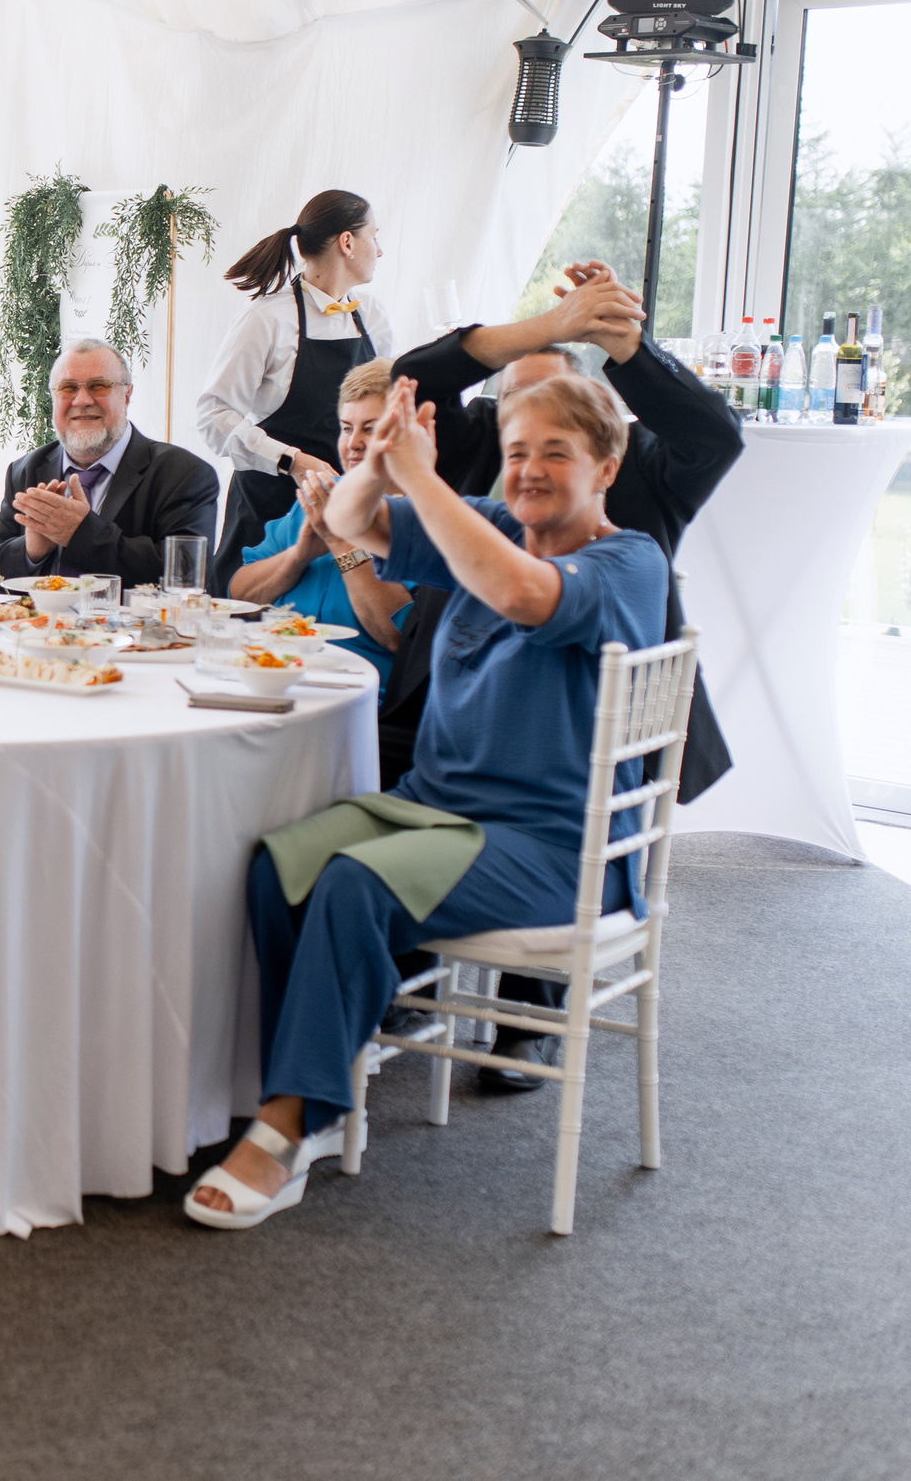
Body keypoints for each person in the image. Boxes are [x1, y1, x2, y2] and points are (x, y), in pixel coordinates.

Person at [187, 371, 666, 1229]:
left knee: (354, 885)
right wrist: (380, 459)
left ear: (608, 464)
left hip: (554, 847)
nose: (527, 470)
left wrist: (426, 479)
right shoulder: (481, 523)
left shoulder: (629, 563)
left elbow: (521, 592)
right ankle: (308, 1093)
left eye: (555, 452)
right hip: (432, 808)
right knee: (276, 867)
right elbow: (344, 522)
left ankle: (286, 1124)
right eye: (518, 451)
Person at [387, 261, 737, 1092]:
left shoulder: (642, 467)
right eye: (514, 412)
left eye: (552, 429)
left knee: (548, 794)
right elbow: (418, 376)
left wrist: (623, 344)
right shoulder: (481, 445)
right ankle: (389, 950)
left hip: (597, 715)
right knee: (353, 763)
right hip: (458, 684)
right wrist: (547, 326)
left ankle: (526, 1014)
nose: (530, 451)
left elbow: (716, 435)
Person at [195, 190, 392, 580]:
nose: (380, 250)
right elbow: (212, 417)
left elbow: (388, 405)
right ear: (347, 243)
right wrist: (291, 461)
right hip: (267, 510)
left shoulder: (370, 314)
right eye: (375, 235)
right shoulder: (269, 317)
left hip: (345, 514)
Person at [0, 339, 245, 591]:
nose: (82, 400)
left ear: (126, 395)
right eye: (68, 388)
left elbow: (186, 573)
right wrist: (31, 549)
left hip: (137, 641)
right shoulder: (27, 470)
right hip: (39, 634)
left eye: (98, 386)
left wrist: (81, 534)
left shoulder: (184, 474)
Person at [226, 357, 413, 688]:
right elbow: (240, 595)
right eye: (346, 428)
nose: (353, 443)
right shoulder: (320, 497)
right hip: (273, 677)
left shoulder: (424, 519)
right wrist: (297, 557)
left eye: (370, 428)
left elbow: (399, 636)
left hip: (360, 697)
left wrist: (340, 543)